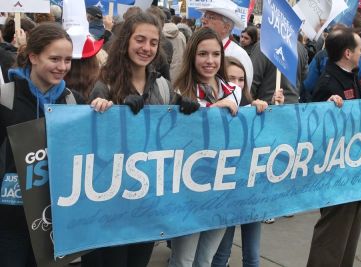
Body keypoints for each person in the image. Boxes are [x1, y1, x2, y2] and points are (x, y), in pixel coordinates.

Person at [82, 10, 197, 267]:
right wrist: (105, 109)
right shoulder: (106, 85)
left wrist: (185, 109)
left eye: (153, 43)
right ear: (126, 42)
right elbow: (91, 146)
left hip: (148, 204)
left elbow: (171, 138)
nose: (146, 48)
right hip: (113, 207)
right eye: (140, 40)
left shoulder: (163, 87)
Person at [0, 22, 111, 267]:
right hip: (12, 220)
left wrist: (103, 112)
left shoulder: (74, 100)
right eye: (54, 59)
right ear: (33, 57)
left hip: (57, 218)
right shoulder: (5, 98)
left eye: (67, 60)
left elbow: (90, 153)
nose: (62, 67)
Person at [168, 27, 242, 267]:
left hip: (223, 189)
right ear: (192, 56)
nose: (210, 61)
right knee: (183, 260)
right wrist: (218, 107)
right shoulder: (180, 92)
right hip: (189, 191)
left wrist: (263, 107)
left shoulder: (236, 92)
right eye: (202, 54)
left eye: (215, 54)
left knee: (205, 260)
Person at [211, 56, 281, 267]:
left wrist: (274, 110)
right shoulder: (216, 108)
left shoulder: (253, 106)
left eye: (241, 79)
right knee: (221, 253)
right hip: (225, 193)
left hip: (251, 191)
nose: (237, 84)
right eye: (231, 78)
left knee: (252, 255)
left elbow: (272, 137)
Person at [306, 27, 361, 267]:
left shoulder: (351, 75)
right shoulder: (328, 83)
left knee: (349, 236)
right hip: (336, 175)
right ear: (347, 53)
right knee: (332, 238)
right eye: (359, 49)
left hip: (354, 170)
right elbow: (318, 128)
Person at [198, 0, 253, 90]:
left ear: (226, 27)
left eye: (211, 17)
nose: (203, 20)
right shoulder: (196, 48)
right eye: (205, 16)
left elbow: (244, 92)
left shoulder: (239, 55)